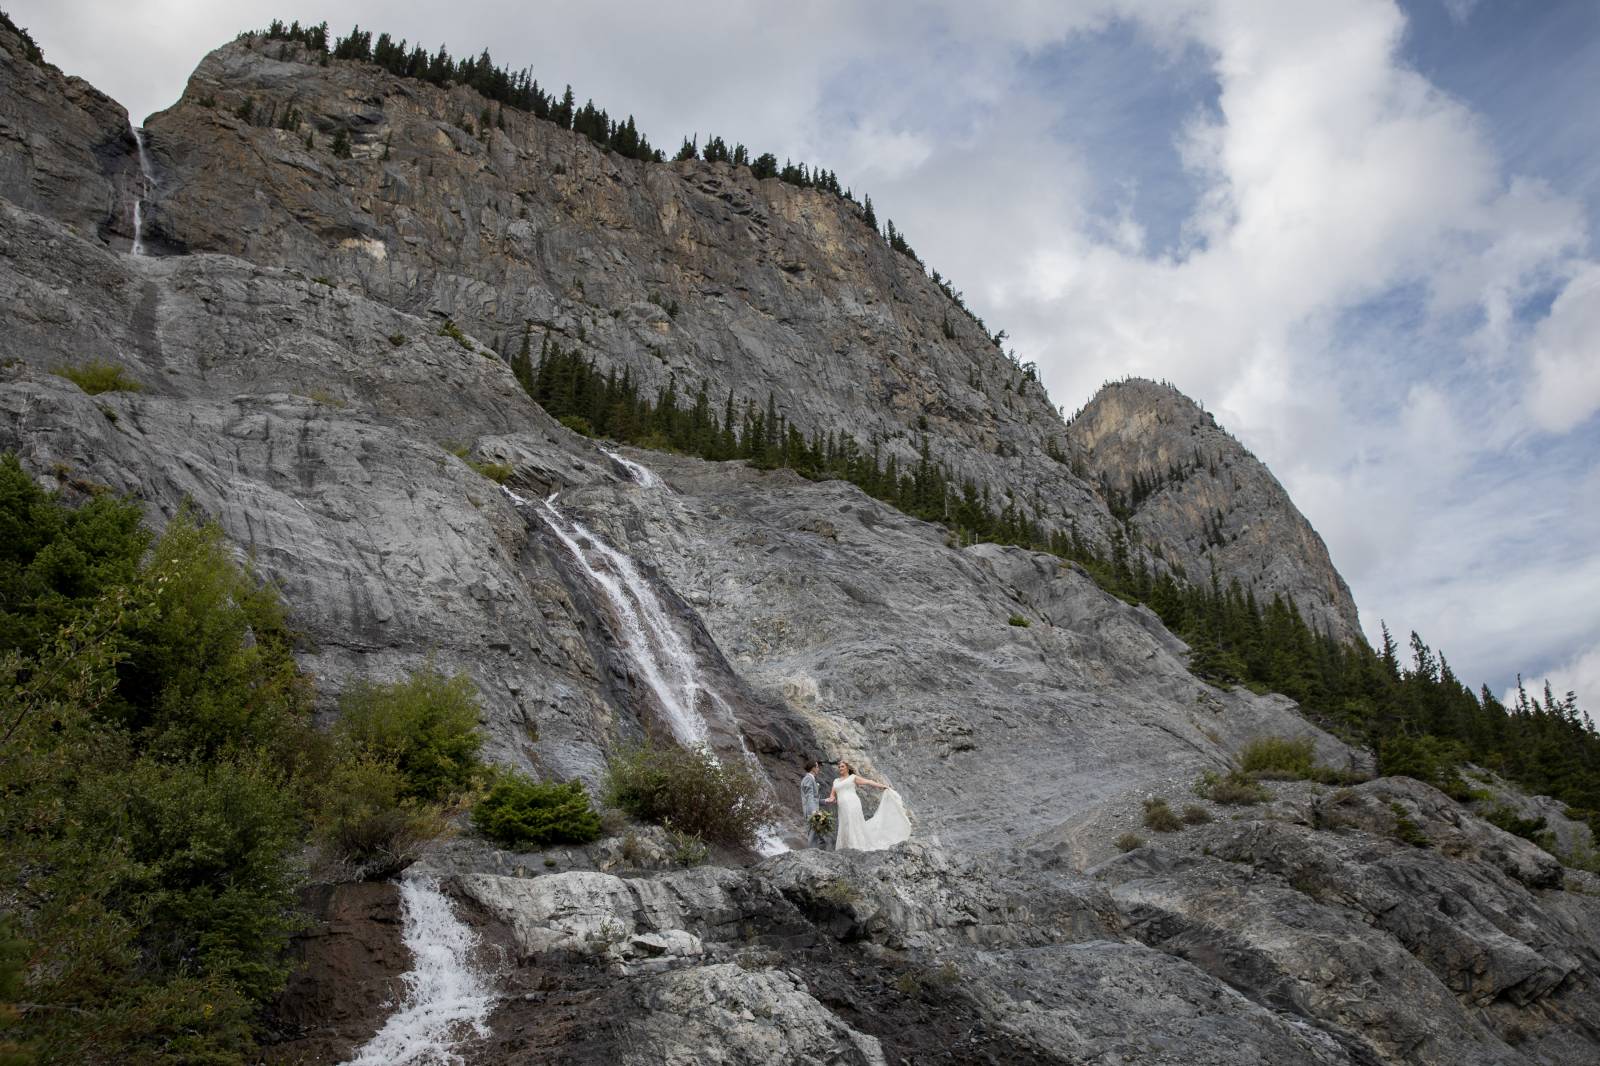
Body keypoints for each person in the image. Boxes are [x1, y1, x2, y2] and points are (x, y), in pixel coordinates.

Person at [827, 759, 911, 851]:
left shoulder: (852, 777)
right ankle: (846, 846)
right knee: (845, 823)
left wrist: (882, 786)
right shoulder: (836, 781)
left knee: (852, 822)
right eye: (839, 767)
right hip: (842, 806)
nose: (840, 768)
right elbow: (832, 794)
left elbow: (868, 781)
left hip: (852, 803)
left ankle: (855, 845)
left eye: (842, 766)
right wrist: (831, 799)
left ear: (847, 768)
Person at [800, 758, 833, 849]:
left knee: (818, 834)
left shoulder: (811, 779)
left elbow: (814, 799)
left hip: (813, 811)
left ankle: (818, 853)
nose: (818, 769)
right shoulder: (808, 779)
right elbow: (809, 797)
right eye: (817, 767)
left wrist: (826, 800)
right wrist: (814, 812)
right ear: (813, 768)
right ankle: (812, 854)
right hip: (812, 812)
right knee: (813, 834)